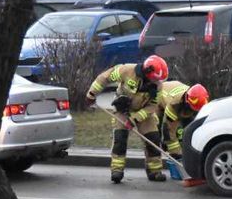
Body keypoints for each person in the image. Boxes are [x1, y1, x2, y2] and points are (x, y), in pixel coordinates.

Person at [86, 54, 170, 184]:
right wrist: (92, 94)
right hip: (122, 110)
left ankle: (155, 171)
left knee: (153, 138)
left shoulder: (158, 86)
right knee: (120, 138)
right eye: (154, 79)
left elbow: (152, 106)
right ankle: (117, 171)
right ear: (147, 71)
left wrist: (135, 119)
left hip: (143, 112)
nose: (156, 82)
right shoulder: (126, 70)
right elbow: (105, 77)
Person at [157, 81, 210, 156]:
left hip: (176, 90)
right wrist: (176, 153)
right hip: (159, 98)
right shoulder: (174, 105)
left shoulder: (199, 98)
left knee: (185, 130)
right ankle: (159, 149)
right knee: (157, 131)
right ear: (187, 101)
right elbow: (168, 130)